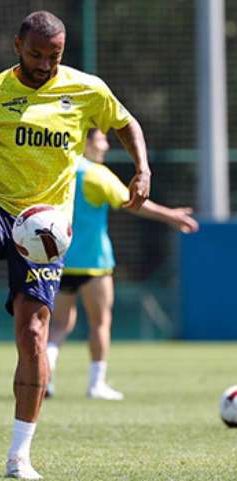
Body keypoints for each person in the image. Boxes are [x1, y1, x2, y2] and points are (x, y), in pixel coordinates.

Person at [0, 11, 151, 480]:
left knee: (34, 336)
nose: (45, 63)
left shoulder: (86, 89)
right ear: (17, 46)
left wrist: (142, 168)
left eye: (54, 55)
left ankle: (19, 457)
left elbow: (126, 122)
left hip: (46, 228)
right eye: (36, 54)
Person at [46, 129, 199, 401]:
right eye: (101, 140)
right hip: (94, 264)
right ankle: (96, 384)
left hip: (60, 260)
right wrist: (172, 216)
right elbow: (133, 202)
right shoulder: (95, 174)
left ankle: (44, 378)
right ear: (86, 143)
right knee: (100, 323)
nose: (105, 146)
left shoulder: (60, 170)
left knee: (59, 326)